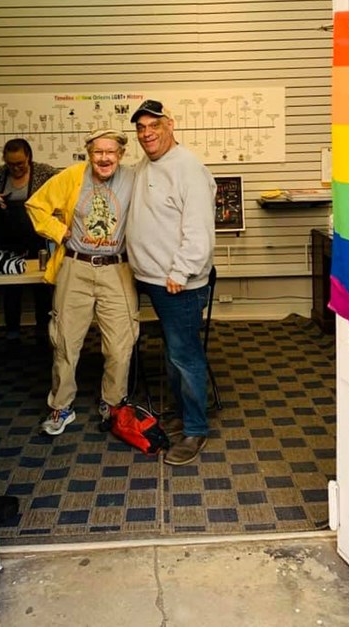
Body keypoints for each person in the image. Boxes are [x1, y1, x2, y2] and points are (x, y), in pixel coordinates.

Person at [25, 129, 138, 436]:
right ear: (89, 154)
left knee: (120, 345)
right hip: (76, 266)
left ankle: (113, 403)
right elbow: (35, 205)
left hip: (117, 270)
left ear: (121, 154)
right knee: (65, 342)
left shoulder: (134, 178)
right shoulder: (73, 175)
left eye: (110, 152)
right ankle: (61, 405)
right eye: (98, 152)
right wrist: (60, 232)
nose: (104, 158)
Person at [126, 100, 216, 466]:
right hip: (150, 277)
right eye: (141, 128)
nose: (147, 133)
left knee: (184, 355)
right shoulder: (146, 165)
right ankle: (183, 413)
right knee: (173, 354)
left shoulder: (188, 169)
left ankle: (196, 429)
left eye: (154, 126)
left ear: (170, 125)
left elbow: (199, 230)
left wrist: (181, 272)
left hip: (178, 283)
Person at [0, 138, 57, 339]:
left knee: (42, 288)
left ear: (29, 158)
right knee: (11, 288)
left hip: (38, 239)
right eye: (11, 164)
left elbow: (64, 188)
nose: (16, 168)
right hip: (9, 241)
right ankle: (12, 331)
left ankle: (44, 331)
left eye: (20, 164)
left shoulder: (44, 173)